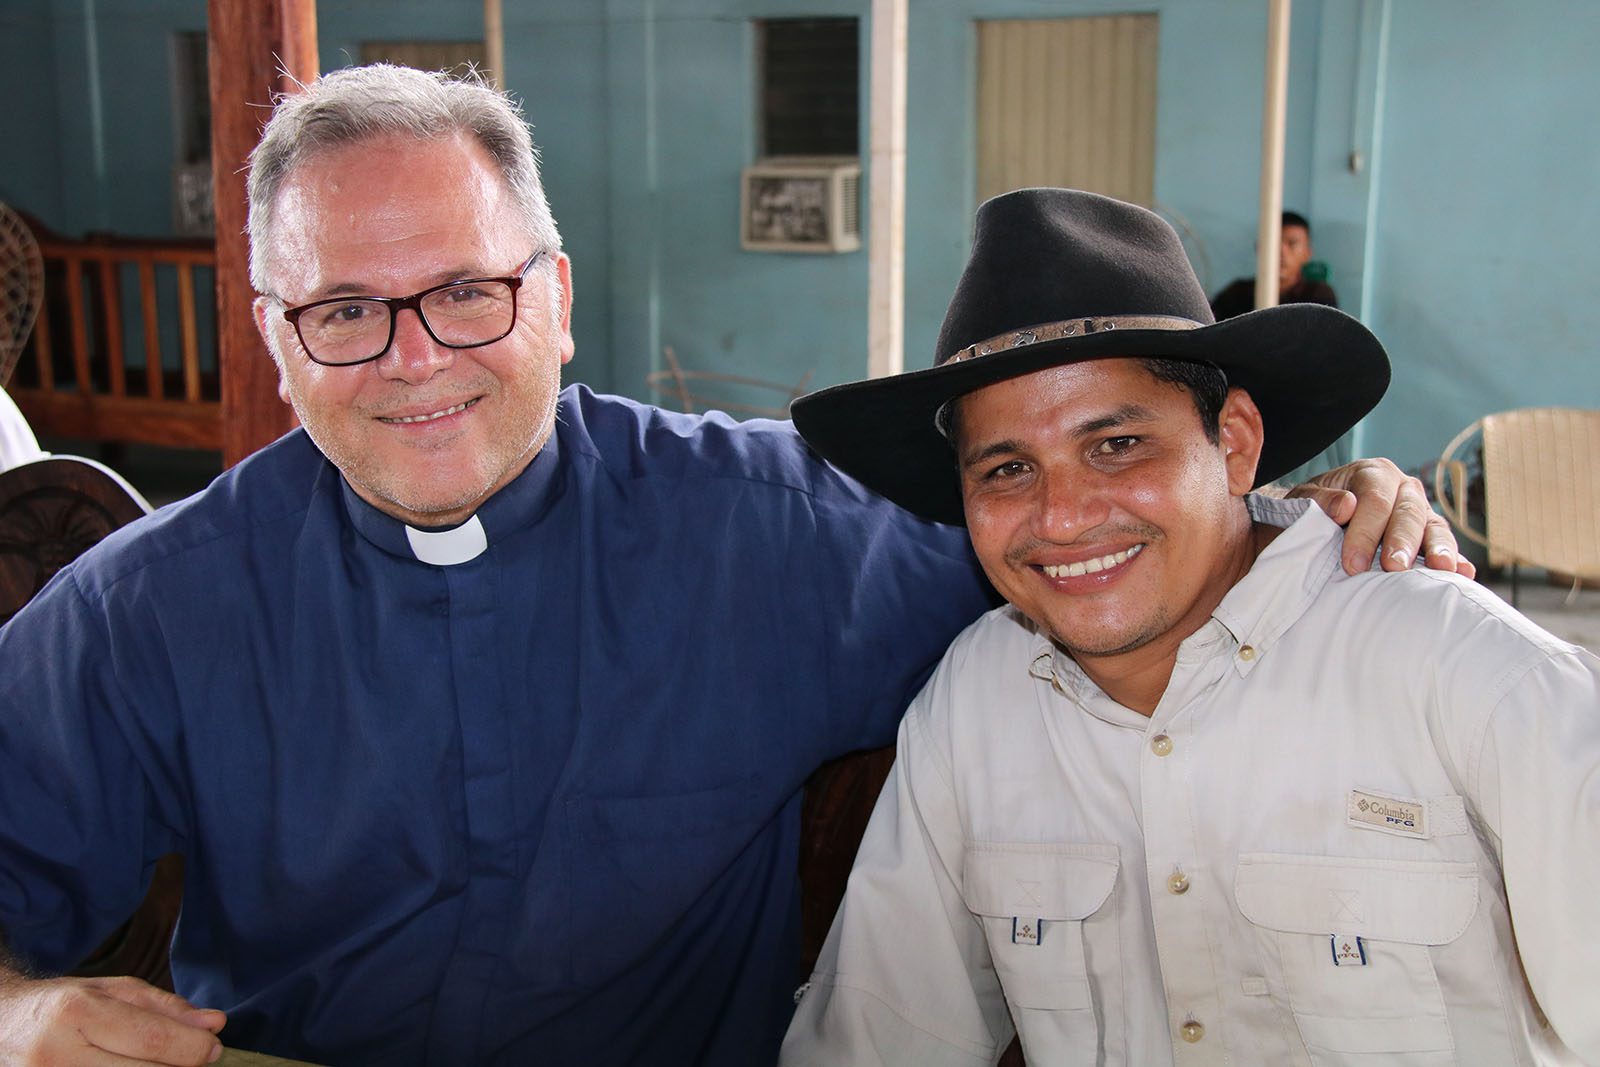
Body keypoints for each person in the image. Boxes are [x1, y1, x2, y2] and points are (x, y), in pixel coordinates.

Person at [0, 68, 1463, 1067]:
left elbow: (1081, 537)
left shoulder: (775, 532)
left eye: (467, 290)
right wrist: (20, 1010)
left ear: (558, 296)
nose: (416, 361)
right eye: (345, 312)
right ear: (274, 335)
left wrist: (1299, 516)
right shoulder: (151, 605)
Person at [780, 188, 1599, 1065]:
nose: (1061, 517)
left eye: (1117, 445)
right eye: (1009, 467)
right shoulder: (977, 699)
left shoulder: (1463, 670)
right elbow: (879, 1034)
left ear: (1236, 443)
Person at [1210, 210, 1338, 321]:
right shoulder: (1237, 293)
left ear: (1307, 254)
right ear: (1259, 248)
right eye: (1274, 242)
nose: (1281, 252)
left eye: (1292, 244)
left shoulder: (1318, 296)